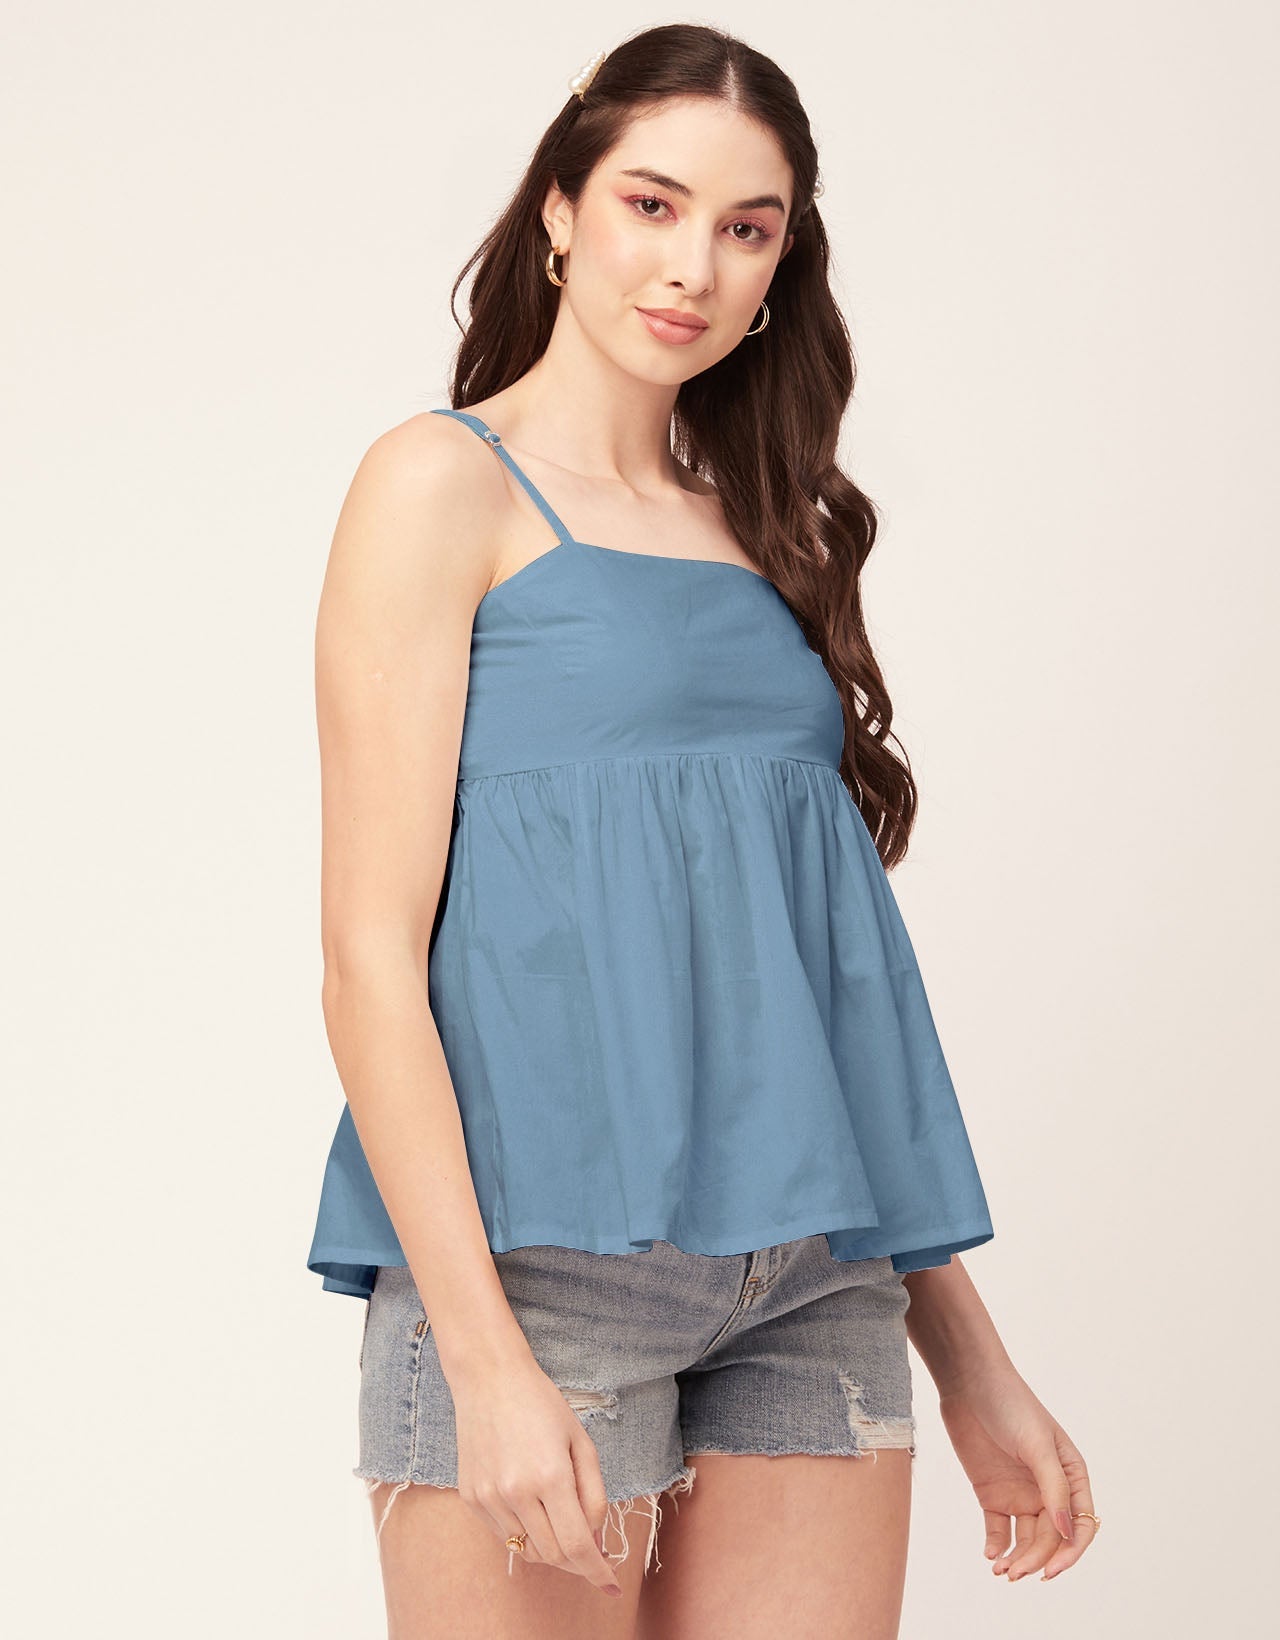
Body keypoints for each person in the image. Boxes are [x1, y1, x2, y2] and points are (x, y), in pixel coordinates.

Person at [305, 22, 1099, 1639]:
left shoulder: (766, 527)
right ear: (560, 210)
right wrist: (483, 1361)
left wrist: (972, 1356)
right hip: (536, 1274)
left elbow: (813, 994)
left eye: (748, 227)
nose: (694, 267)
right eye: (652, 205)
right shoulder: (440, 486)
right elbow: (368, 958)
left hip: (816, 1280)